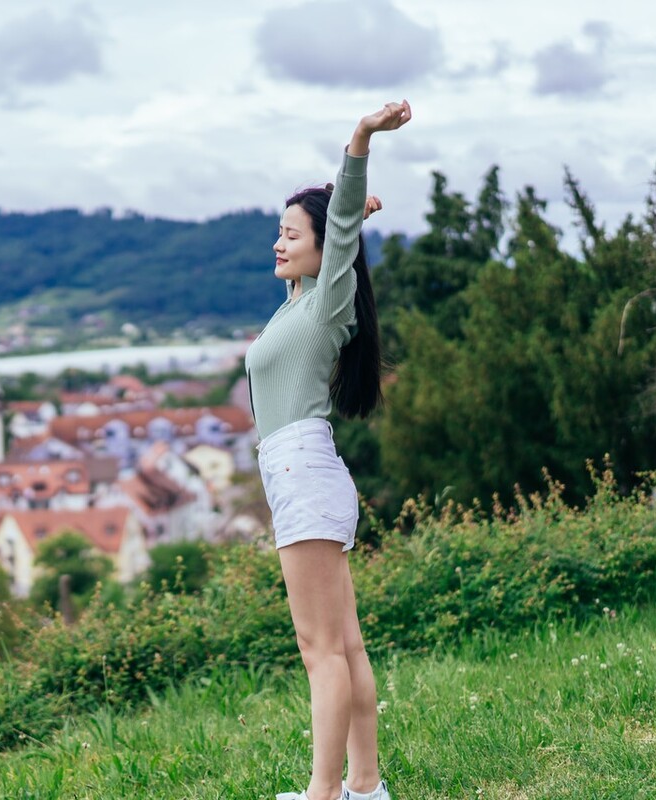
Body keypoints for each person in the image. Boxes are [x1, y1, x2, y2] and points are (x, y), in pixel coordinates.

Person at [244, 99, 412, 800]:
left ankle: (326, 793)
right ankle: (365, 786)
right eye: (276, 233)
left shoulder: (320, 307)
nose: (277, 244)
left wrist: (360, 139)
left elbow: (336, 231)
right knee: (343, 646)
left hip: (302, 471)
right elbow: (337, 232)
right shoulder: (301, 303)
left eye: (290, 234)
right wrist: (354, 215)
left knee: (321, 651)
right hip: (306, 473)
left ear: (320, 247)